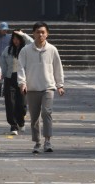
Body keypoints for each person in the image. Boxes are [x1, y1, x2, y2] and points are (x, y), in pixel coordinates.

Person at [18, 21, 65, 153]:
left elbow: (58, 68)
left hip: (48, 87)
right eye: (38, 32)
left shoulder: (52, 49)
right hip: (32, 88)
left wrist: (60, 85)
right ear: (33, 34)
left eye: (43, 32)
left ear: (47, 34)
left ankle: (47, 141)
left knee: (46, 112)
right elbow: (21, 68)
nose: (40, 35)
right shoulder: (25, 50)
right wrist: (22, 83)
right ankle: (37, 142)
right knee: (34, 117)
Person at [0, 30, 27, 135]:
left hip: (23, 79)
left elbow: (33, 42)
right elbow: (3, 63)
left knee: (22, 103)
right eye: (14, 39)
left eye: (18, 39)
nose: (16, 41)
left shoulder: (27, 49)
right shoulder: (8, 49)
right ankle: (13, 125)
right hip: (10, 78)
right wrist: (2, 76)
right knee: (10, 103)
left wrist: (23, 34)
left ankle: (21, 121)